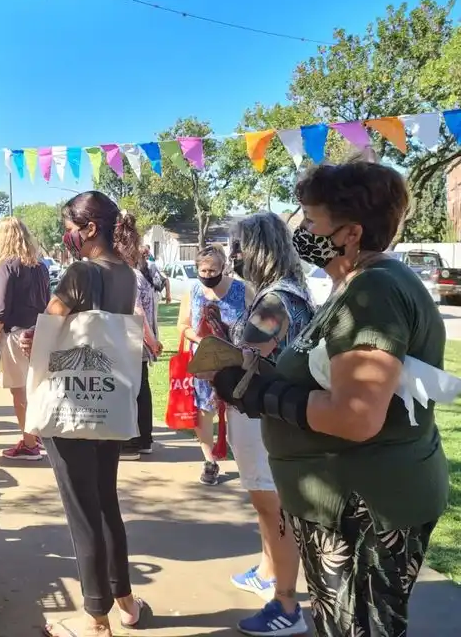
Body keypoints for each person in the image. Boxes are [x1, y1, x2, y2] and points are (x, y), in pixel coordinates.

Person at [208, 161, 449, 637]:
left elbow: (356, 416)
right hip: (346, 505)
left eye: (312, 222)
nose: (301, 231)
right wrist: (258, 382)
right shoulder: (354, 286)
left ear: (350, 233)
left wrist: (266, 395)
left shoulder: (375, 290)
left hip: (364, 511)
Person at [34, 191, 152, 637]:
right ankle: (124, 600)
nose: (68, 235)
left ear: (87, 229)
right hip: (109, 399)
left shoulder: (81, 271)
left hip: (72, 404)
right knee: (105, 501)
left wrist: (31, 340)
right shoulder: (127, 271)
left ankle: (94, 616)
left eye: (70, 225)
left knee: (81, 508)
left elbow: (51, 324)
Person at [223, 213, 313, 636]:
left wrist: (217, 360)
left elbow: (249, 356)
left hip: (266, 417)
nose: (233, 256)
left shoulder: (276, 300)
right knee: (265, 504)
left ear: (258, 248)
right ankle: (267, 569)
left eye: (238, 246)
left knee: (271, 505)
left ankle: (286, 604)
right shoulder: (282, 293)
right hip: (266, 414)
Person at [177, 244, 248, 486]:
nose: (208, 275)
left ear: (223, 268)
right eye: (204, 270)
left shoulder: (241, 290)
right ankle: (210, 461)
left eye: (213, 270)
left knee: (238, 410)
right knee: (204, 412)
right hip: (205, 362)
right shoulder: (194, 291)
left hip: (236, 361)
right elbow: (183, 325)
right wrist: (202, 340)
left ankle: (244, 459)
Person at [0, 217, 50, 460]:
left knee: (19, 391)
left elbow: (0, 309)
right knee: (36, 388)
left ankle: (30, 443)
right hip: (40, 332)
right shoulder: (40, 266)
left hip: (16, 333)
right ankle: (35, 435)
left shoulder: (7, 265)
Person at [114, 213, 164, 460]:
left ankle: (132, 442)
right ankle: (144, 439)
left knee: (130, 391)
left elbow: (137, 310)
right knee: (141, 389)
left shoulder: (129, 275)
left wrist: (151, 340)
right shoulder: (141, 272)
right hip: (139, 342)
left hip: (130, 340)